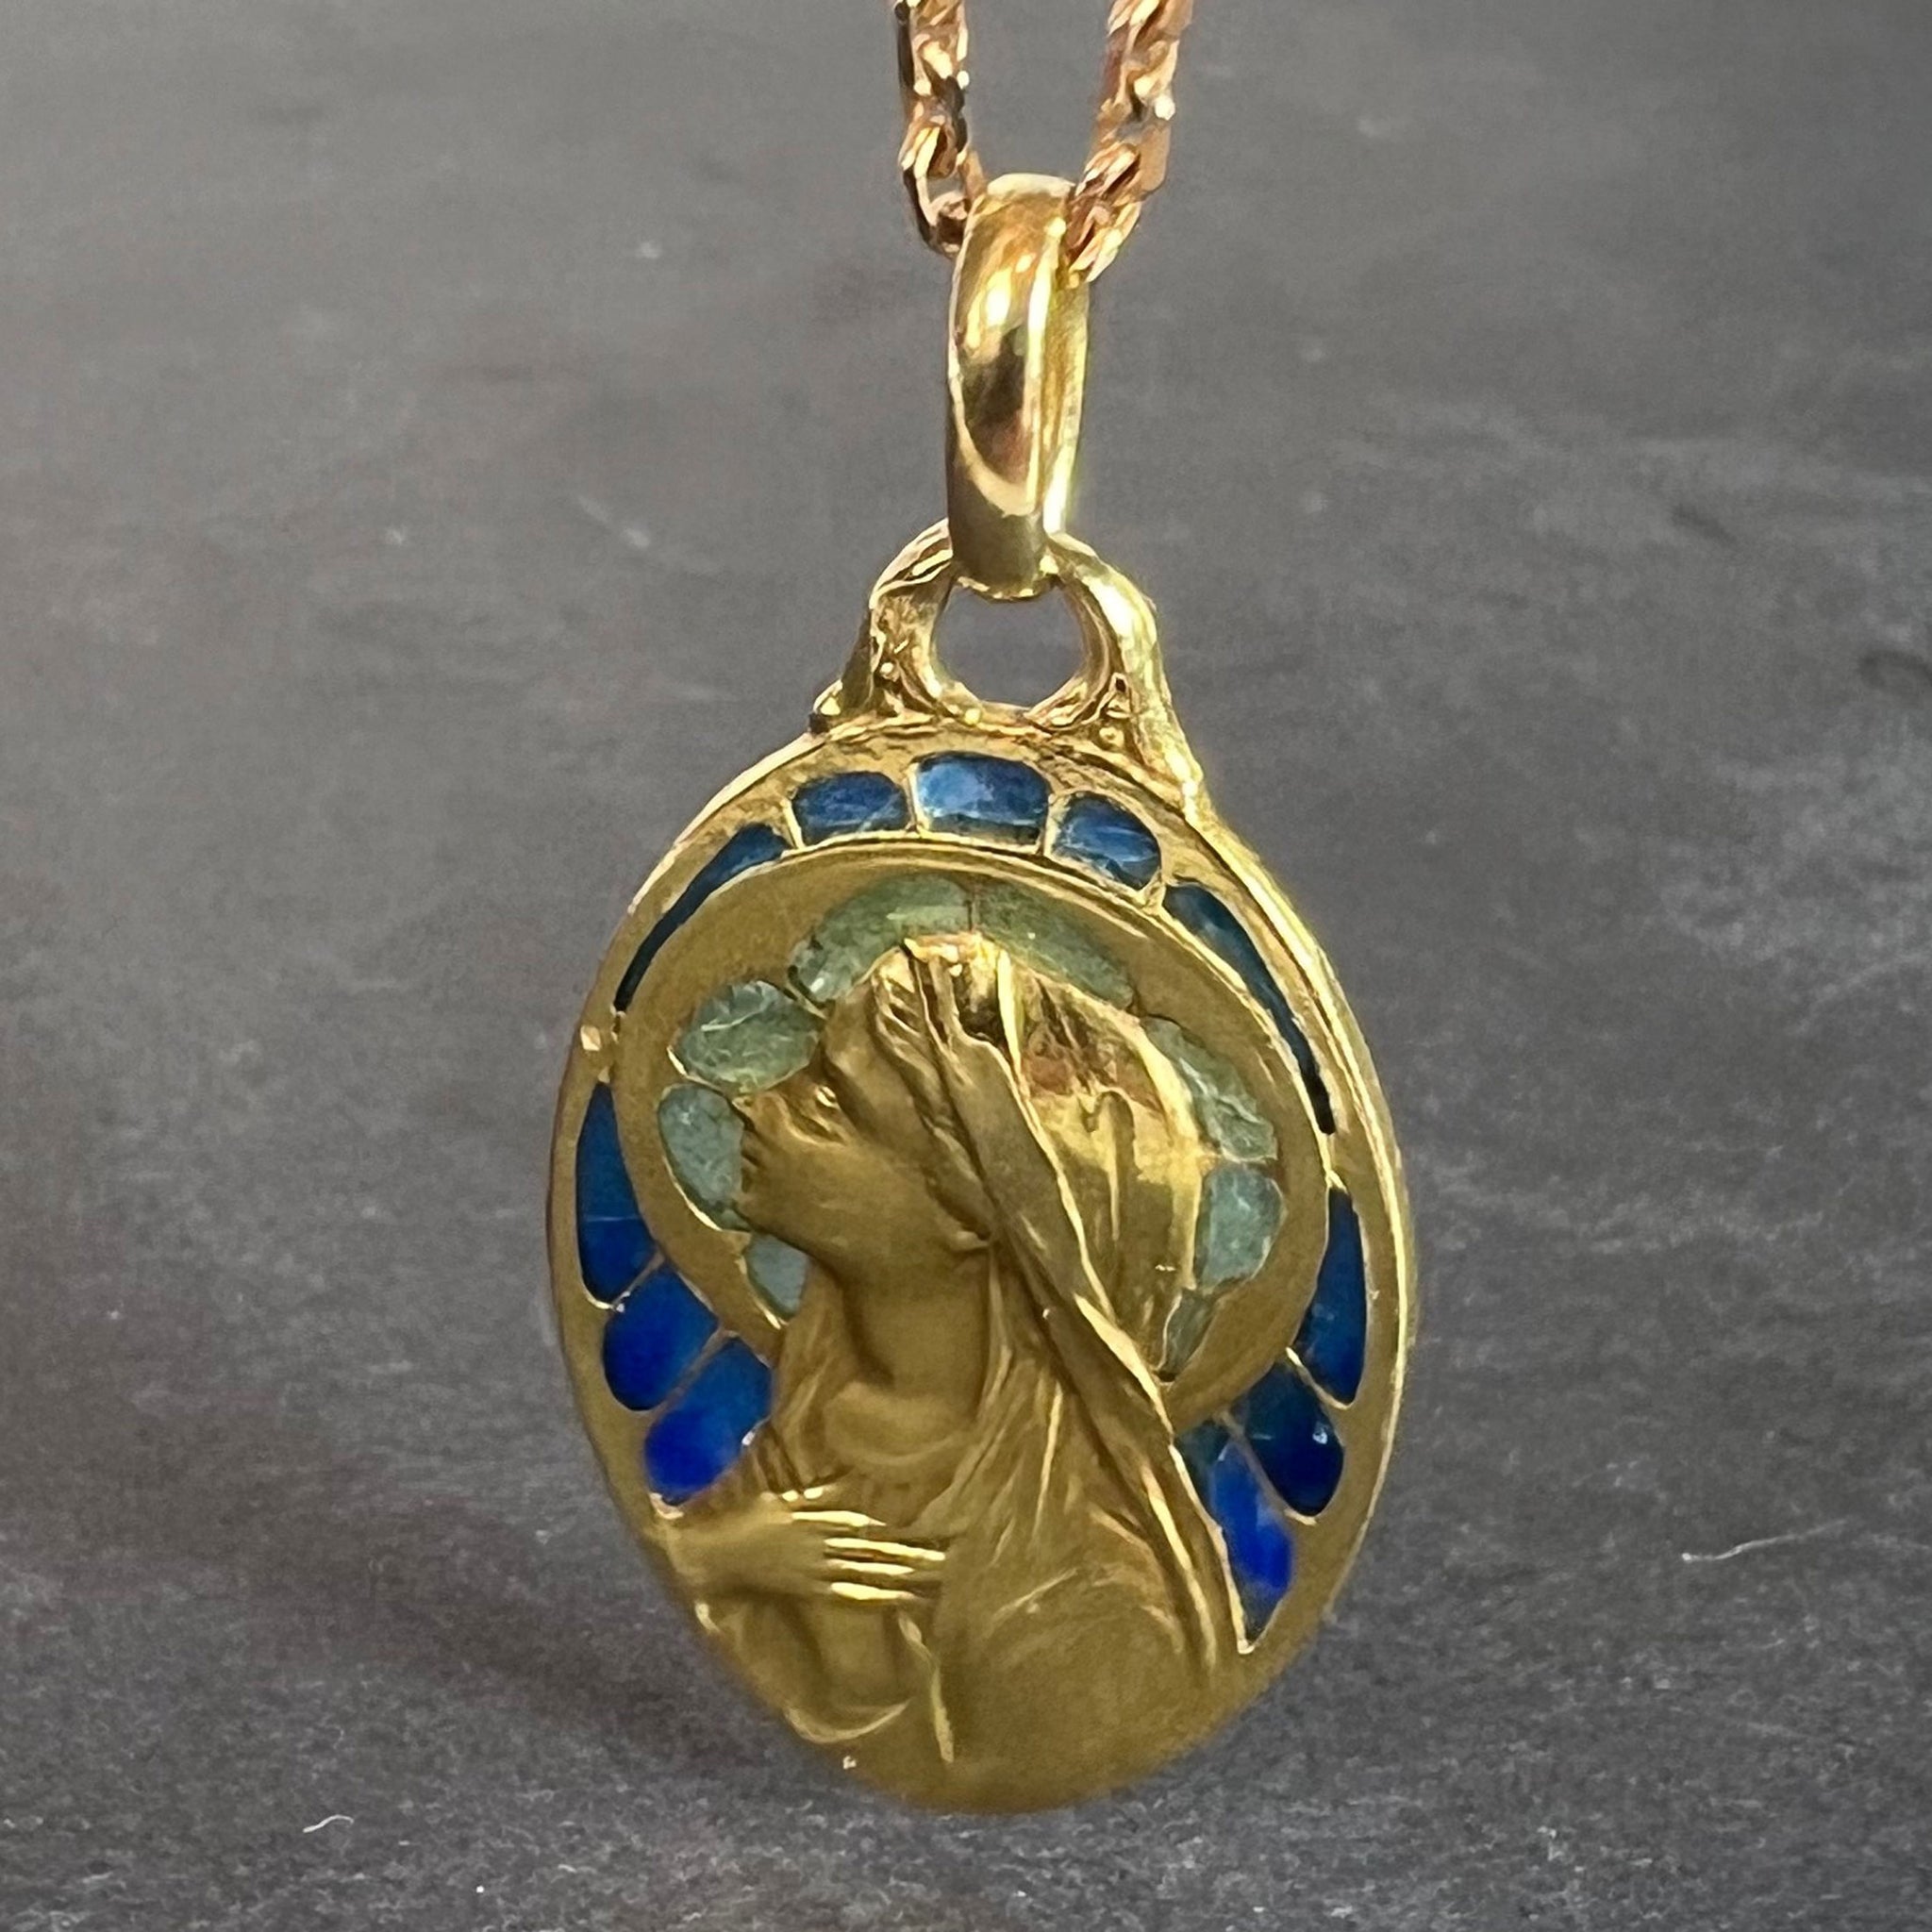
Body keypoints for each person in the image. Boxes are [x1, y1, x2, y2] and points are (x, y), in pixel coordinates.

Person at [663, 932, 1244, 1807]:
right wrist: (716, 1555)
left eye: (830, 1103)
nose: (757, 1103)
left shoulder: (1090, 1599)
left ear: (973, 1207)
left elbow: (1001, 1759)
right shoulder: (815, 1419)